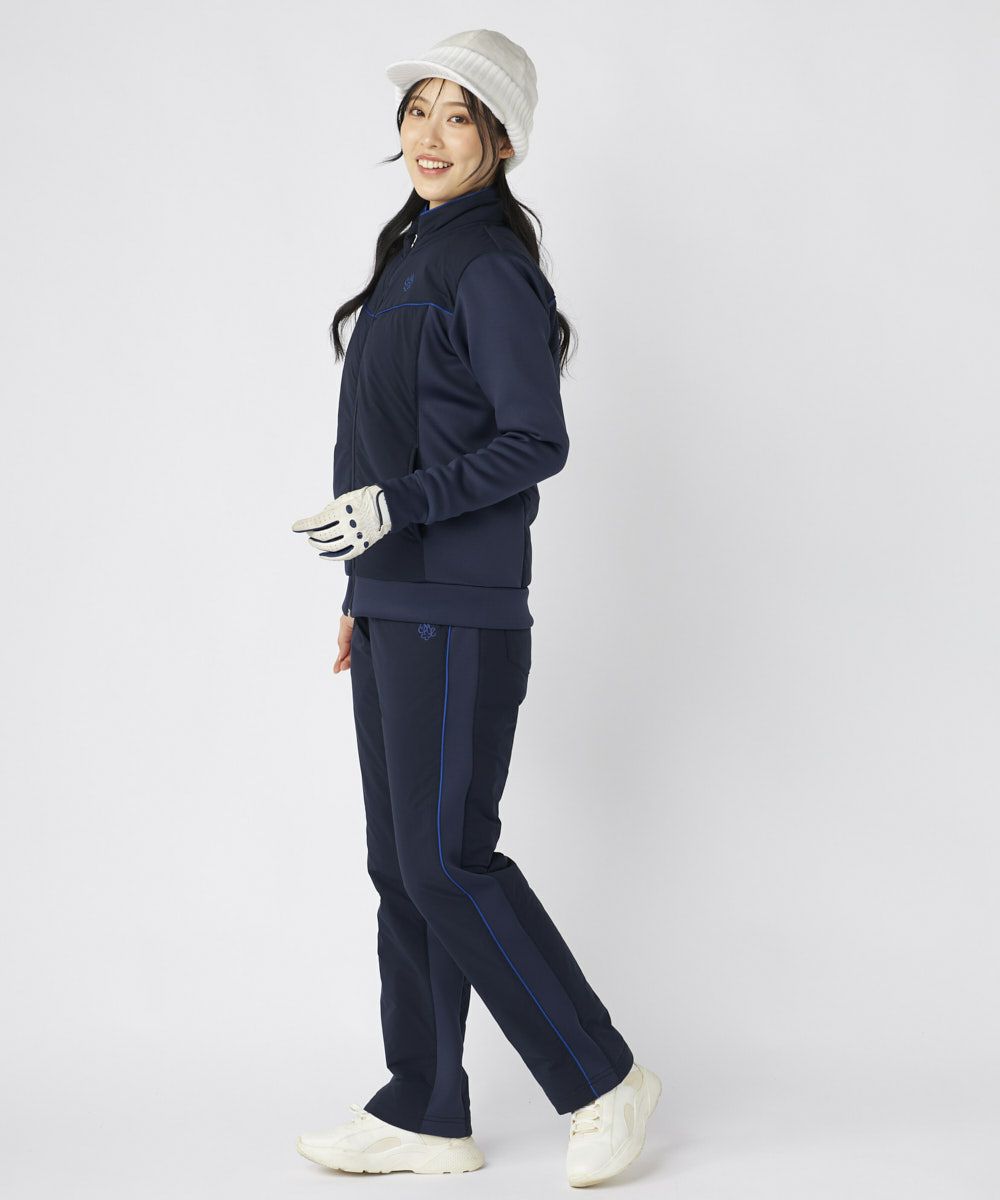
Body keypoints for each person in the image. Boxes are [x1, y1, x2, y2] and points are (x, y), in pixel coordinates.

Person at [291, 29, 660, 1187]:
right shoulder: (413, 251)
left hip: (458, 607)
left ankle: (602, 1080)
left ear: (502, 141)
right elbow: (384, 442)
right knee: (402, 866)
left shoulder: (486, 263)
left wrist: (395, 513)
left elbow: (533, 439)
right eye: (420, 110)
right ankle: (424, 1109)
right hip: (395, 601)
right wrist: (360, 587)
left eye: (459, 116)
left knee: (447, 859)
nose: (430, 134)